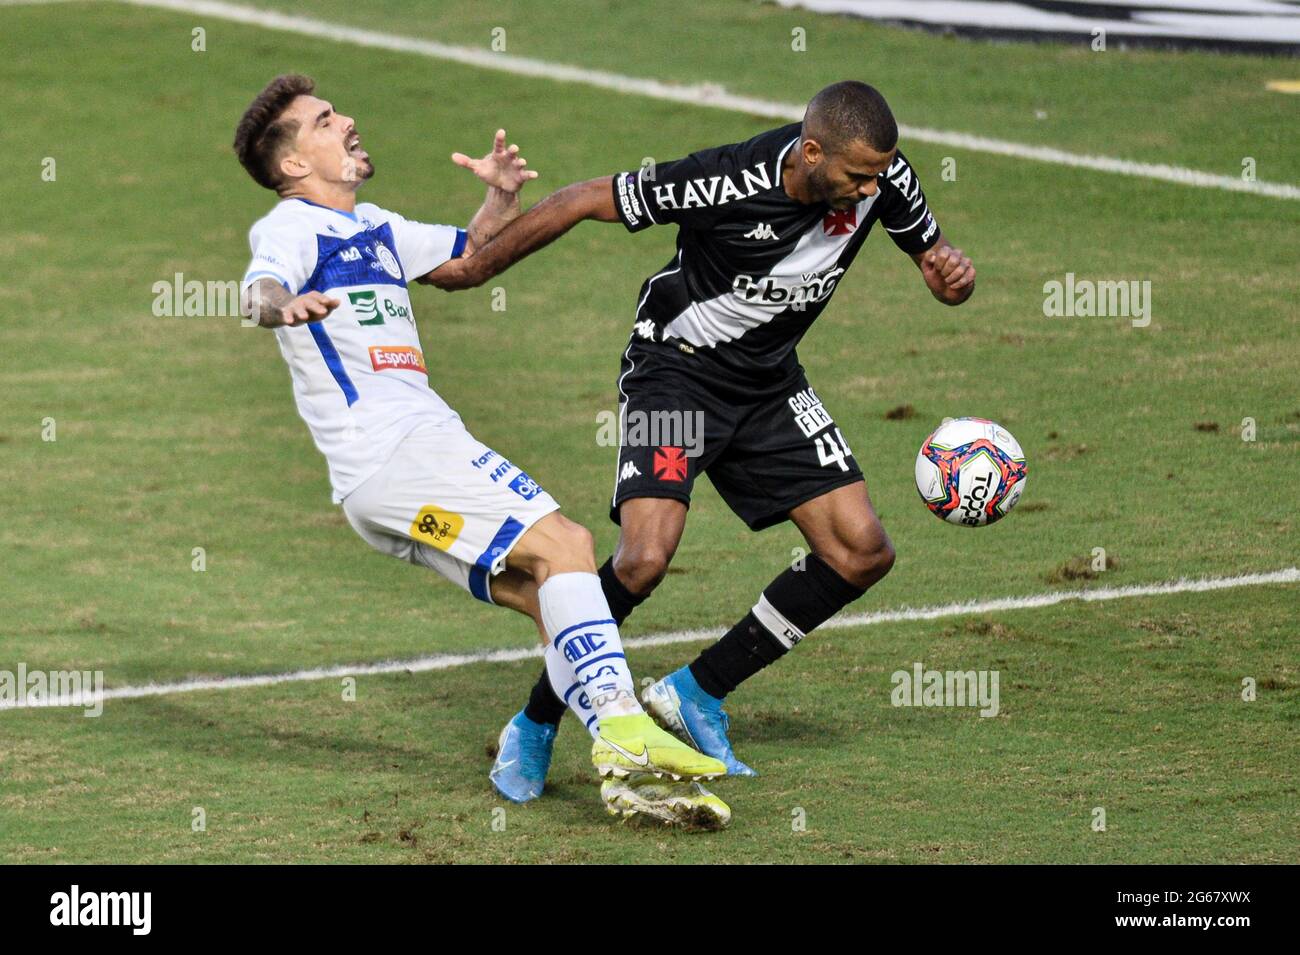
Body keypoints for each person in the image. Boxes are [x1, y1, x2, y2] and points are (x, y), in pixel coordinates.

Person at [427, 81, 976, 800]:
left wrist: (951, 279)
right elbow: (587, 198)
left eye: (880, 174)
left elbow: (939, 266)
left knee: (860, 550)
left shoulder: (883, 177)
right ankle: (534, 723)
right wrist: (477, 267)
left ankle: (698, 691)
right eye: (856, 177)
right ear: (811, 153)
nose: (873, 189)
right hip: (676, 375)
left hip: (769, 383)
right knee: (643, 560)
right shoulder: (727, 180)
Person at [231, 74, 729, 828]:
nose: (349, 121)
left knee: (549, 596)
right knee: (568, 543)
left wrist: (498, 203)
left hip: (382, 484)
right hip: (400, 451)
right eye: (326, 122)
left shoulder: (375, 227)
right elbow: (258, 289)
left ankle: (590, 763)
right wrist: (281, 305)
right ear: (295, 165)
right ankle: (626, 731)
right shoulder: (292, 228)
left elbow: (467, 263)